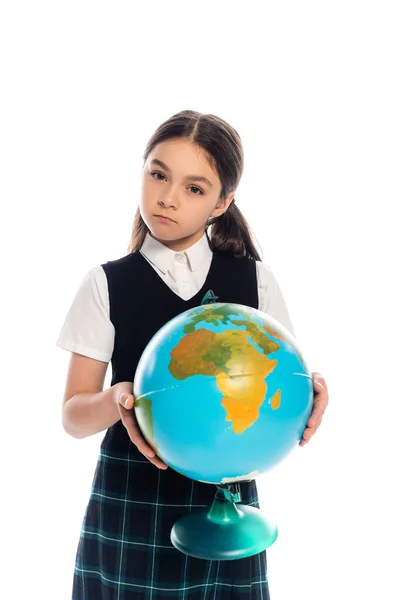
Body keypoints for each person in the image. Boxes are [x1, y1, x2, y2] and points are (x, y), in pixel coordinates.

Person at [57, 109, 329, 599]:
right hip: (131, 499)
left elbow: (284, 383)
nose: (167, 197)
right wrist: (120, 398)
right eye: (158, 174)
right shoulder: (105, 284)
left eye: (195, 188)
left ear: (223, 202)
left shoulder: (256, 281)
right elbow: (73, 417)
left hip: (227, 511)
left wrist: (311, 399)